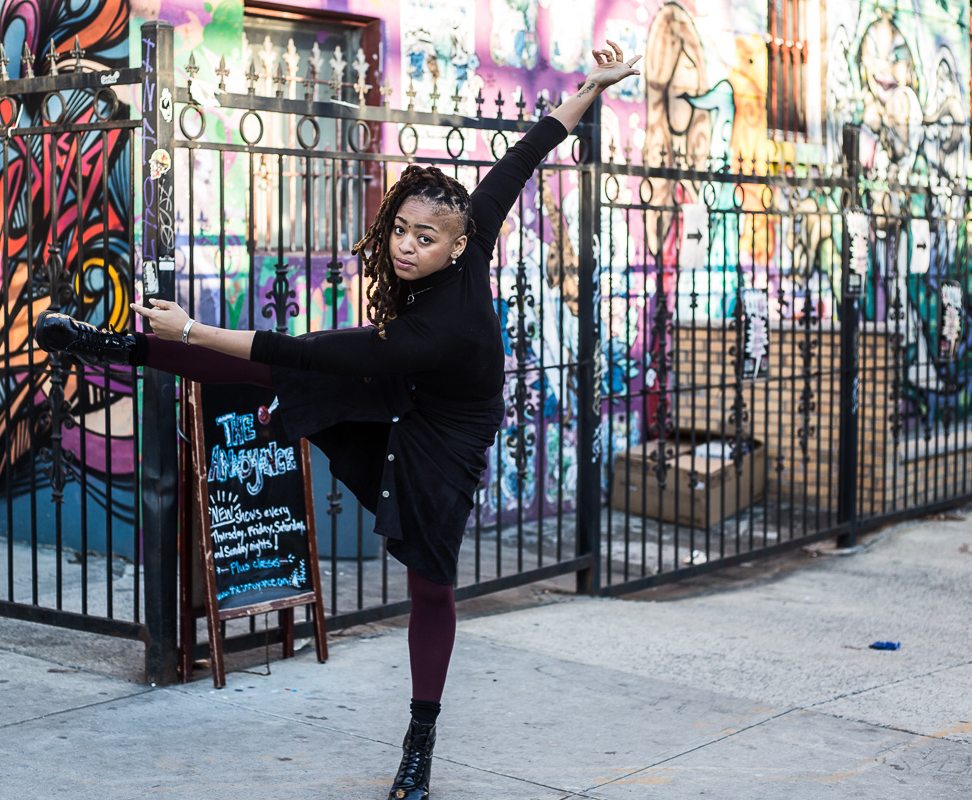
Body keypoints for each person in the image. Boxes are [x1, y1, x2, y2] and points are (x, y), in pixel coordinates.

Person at [35, 42, 640, 800]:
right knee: (275, 377)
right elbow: (530, 149)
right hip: (407, 387)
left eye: (426, 239)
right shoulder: (473, 228)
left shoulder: (437, 327)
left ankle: (419, 741)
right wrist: (593, 86)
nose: (407, 246)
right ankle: (120, 345)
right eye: (402, 229)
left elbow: (307, 347)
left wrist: (193, 328)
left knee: (431, 585)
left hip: (447, 434)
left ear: (458, 247)